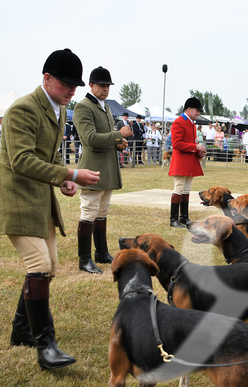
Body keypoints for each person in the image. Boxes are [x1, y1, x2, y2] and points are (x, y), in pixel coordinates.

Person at [1, 48, 100, 369]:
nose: (72, 91)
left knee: (51, 266)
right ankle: (46, 345)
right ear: (46, 78)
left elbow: (50, 155)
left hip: (41, 199)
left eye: (75, 85)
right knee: (39, 264)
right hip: (17, 200)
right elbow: (22, 160)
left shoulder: (56, 109)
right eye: (66, 84)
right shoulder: (22, 110)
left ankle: (21, 331)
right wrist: (71, 173)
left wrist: (62, 181)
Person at [73, 66, 133, 274]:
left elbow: (106, 137)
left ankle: (101, 252)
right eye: (101, 85)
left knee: (102, 211)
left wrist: (118, 143)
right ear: (91, 85)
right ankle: (84, 259)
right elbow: (89, 138)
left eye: (108, 85)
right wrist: (117, 135)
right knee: (89, 211)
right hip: (93, 167)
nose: (105, 89)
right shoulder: (83, 107)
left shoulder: (105, 107)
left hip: (106, 166)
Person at [168, 97, 206, 228]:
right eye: (197, 110)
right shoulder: (179, 122)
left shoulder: (191, 123)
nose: (199, 113)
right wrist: (195, 147)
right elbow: (177, 144)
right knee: (178, 188)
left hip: (189, 161)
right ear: (189, 109)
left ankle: (184, 217)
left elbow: (191, 142)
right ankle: (173, 219)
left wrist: (198, 151)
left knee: (186, 190)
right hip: (181, 162)